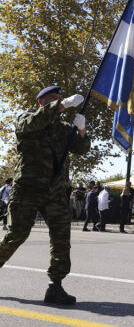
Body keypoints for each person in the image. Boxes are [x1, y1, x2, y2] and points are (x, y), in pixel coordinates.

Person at [0, 86, 88, 305]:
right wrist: (63, 105)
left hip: (54, 190)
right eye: (52, 99)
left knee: (61, 238)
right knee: (16, 235)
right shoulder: (26, 119)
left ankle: (56, 286)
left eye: (59, 99)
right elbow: (34, 123)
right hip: (27, 188)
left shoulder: (64, 129)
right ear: (40, 102)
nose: (58, 102)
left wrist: (82, 130)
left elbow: (81, 149)